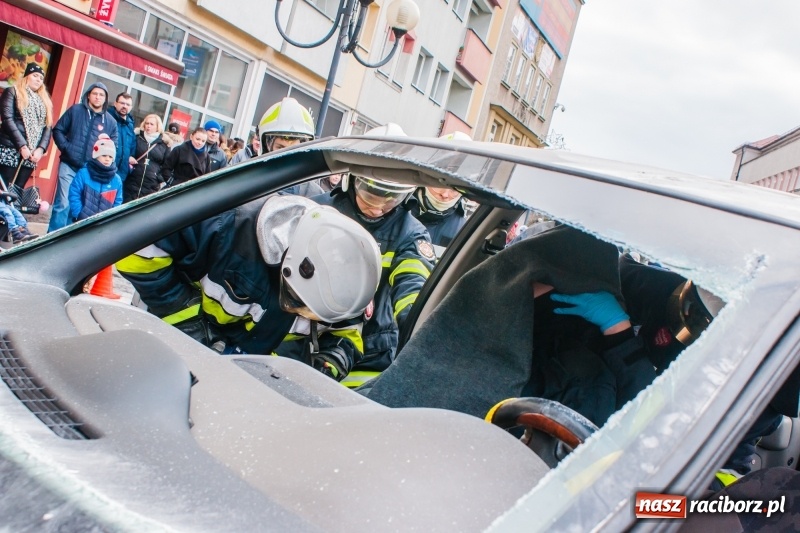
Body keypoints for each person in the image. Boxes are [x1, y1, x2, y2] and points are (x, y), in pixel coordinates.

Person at [116, 195, 382, 382]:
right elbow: (136, 248)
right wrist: (185, 317)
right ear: (289, 270)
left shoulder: (343, 284)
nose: (305, 318)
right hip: (162, 340)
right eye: (302, 307)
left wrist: (332, 359)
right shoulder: (225, 226)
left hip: (234, 372)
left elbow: (348, 332)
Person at [312, 124, 435, 388]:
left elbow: (413, 287)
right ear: (351, 179)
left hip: (372, 354)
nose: (378, 207)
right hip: (307, 337)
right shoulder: (319, 211)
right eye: (371, 194)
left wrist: (417, 324)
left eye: (390, 199)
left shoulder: (411, 233)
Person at [49, 82, 118, 232]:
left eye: (101, 95)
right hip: (69, 165)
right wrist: (67, 148)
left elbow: (114, 146)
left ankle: (67, 238)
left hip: (89, 172)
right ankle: (51, 238)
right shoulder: (75, 110)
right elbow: (58, 130)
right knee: (64, 203)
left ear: (105, 99)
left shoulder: (111, 122)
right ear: (88, 95)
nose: (98, 97)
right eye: (95, 93)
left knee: (78, 206)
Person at [407, 131, 469, 247]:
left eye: (454, 189)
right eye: (440, 184)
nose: (445, 195)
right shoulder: (397, 211)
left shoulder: (464, 231)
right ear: (425, 178)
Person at [0, 62, 53, 190]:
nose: (38, 80)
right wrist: (22, 146)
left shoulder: (44, 101)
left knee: (18, 191)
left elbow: (48, 127)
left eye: (41, 78)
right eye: (35, 75)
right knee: (4, 189)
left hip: (32, 153)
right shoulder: (12, 92)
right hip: (10, 147)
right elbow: (7, 120)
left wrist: (40, 149)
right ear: (26, 76)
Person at [257, 97, 323, 197]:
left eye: (293, 150)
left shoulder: (314, 194)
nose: (287, 156)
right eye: (280, 148)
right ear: (267, 148)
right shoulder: (250, 185)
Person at [68, 134, 123, 222]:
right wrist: (79, 214)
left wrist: (111, 218)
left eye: (110, 157)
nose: (107, 159)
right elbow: (74, 193)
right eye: (104, 155)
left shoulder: (116, 180)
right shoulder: (84, 173)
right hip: (82, 221)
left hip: (105, 223)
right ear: (96, 155)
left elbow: (118, 201)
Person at [124, 114, 173, 203]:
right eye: (147, 123)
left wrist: (158, 178)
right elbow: (127, 152)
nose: (148, 126)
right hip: (132, 180)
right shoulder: (137, 138)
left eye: (152, 124)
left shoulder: (164, 144)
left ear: (158, 126)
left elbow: (167, 165)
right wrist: (129, 158)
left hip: (151, 184)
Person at [107, 92, 137, 183]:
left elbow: (132, 146)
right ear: (115, 104)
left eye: (128, 104)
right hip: (105, 169)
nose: (125, 106)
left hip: (120, 174)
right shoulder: (107, 118)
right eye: (122, 103)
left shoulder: (130, 124)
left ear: (131, 107)